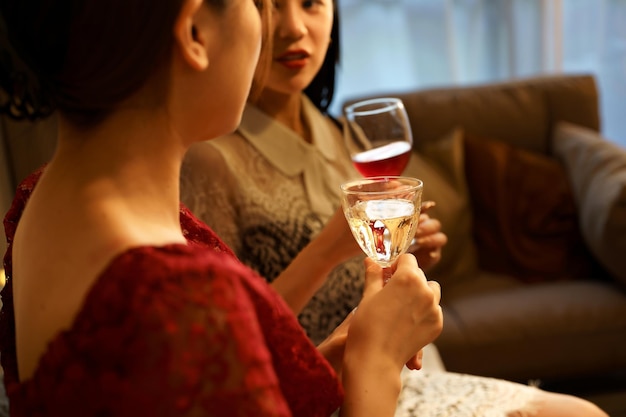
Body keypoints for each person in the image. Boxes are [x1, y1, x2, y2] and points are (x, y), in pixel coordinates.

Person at [0, 0, 445, 416]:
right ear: (195, 31)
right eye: (257, 4)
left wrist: (326, 361)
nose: (274, 30)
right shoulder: (181, 292)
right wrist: (377, 364)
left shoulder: (43, 199)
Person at [180, 0, 609, 416]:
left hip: (403, 368)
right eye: (266, 5)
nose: (293, 27)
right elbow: (234, 345)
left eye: (312, 3)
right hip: (329, 387)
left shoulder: (333, 130)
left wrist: (404, 254)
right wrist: (326, 250)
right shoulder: (208, 159)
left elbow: (361, 265)